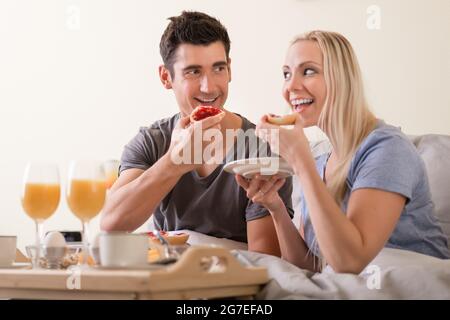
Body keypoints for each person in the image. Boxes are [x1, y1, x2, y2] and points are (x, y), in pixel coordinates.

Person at [236, 30, 450, 273]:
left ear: (342, 78)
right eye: (286, 74)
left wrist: (301, 162)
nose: (291, 87)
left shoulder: (388, 148)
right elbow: (310, 266)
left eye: (308, 71)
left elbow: (351, 262)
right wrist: (274, 206)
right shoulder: (318, 164)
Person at [100, 11, 293, 256]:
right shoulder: (151, 141)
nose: (209, 87)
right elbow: (112, 223)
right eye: (193, 72)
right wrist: (175, 162)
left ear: (230, 70)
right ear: (165, 77)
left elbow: (265, 260)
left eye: (218, 68)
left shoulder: (261, 148)